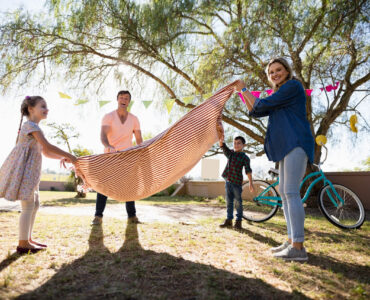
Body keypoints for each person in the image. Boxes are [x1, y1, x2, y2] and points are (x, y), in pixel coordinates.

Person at [235, 57, 314, 261]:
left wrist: (244, 90)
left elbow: (261, 104)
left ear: (287, 71)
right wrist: (243, 93)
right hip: (286, 146)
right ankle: (291, 241)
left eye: (278, 70)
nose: (275, 74)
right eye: (271, 72)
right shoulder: (280, 94)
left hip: (296, 143)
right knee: (286, 195)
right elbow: (257, 110)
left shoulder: (293, 86)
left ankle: (298, 247)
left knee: (291, 193)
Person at [0, 96, 77, 254]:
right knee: (28, 206)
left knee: (35, 205)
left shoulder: (34, 127)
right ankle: (23, 243)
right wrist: (71, 155)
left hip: (32, 171)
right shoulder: (30, 125)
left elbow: (46, 151)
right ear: (31, 109)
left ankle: (27, 239)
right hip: (25, 171)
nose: (46, 109)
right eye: (43, 106)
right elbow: (48, 145)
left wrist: (62, 157)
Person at [91, 90, 143, 225]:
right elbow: (103, 135)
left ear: (129, 101)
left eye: (126, 98)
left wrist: (141, 152)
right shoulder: (108, 116)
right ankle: (98, 217)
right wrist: (108, 145)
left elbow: (139, 139)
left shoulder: (134, 119)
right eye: (121, 97)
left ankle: (132, 217)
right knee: (104, 186)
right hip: (110, 156)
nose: (123, 100)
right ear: (117, 99)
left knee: (129, 186)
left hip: (127, 156)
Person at [219, 135, 254, 229]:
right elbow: (224, 148)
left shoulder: (245, 157)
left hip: (237, 183)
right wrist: (221, 141)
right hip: (228, 181)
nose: (236, 145)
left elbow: (248, 171)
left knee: (238, 202)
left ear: (243, 145)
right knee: (229, 202)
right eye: (235, 143)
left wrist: (251, 183)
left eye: (239, 143)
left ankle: (238, 221)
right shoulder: (231, 153)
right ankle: (229, 220)